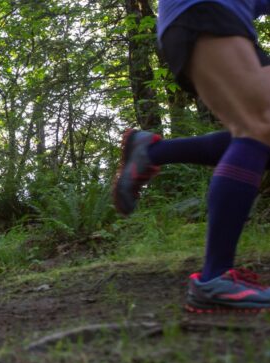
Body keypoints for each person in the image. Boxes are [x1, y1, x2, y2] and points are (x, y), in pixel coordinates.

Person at [114, 0, 270, 313]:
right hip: (205, 11)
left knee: (258, 127)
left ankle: (152, 151)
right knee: (258, 125)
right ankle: (214, 277)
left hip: (210, 17)